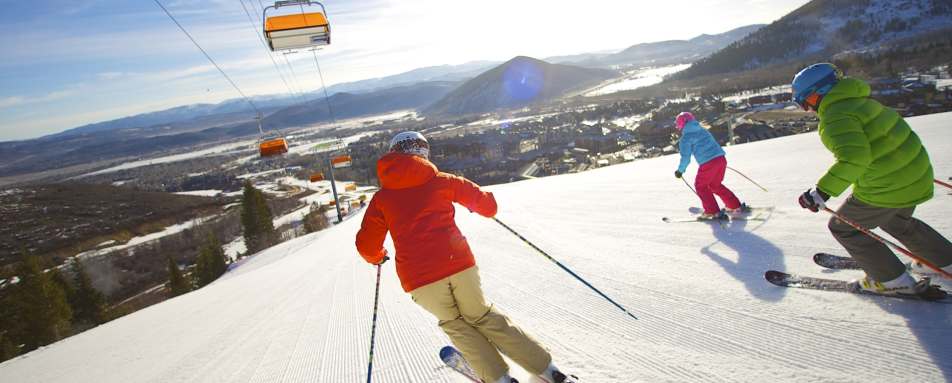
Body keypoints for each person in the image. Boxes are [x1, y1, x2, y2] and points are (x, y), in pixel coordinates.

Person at [355, 131, 576, 383]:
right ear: (424, 153)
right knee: (481, 314)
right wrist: (474, 205)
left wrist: (378, 256)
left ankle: (499, 379)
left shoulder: (382, 199)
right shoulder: (441, 180)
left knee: (454, 323)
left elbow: (366, 245)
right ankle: (549, 370)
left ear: (394, 154)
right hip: (458, 263)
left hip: (419, 278)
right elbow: (488, 206)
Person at [792, 63, 952, 296]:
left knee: (844, 228)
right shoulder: (864, 102)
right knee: (897, 221)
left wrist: (822, 191)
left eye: (804, 102)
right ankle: (944, 261)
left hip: (888, 185)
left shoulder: (835, 116)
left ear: (817, 94)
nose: (807, 109)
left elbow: (855, 158)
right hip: (916, 175)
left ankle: (891, 281)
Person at [673, 112, 745, 219]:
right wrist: (717, 159)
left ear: (681, 124)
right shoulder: (703, 130)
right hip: (721, 159)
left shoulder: (686, 138)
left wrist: (680, 171)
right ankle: (734, 205)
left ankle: (712, 211)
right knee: (715, 185)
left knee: (700, 186)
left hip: (708, 163)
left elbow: (686, 158)